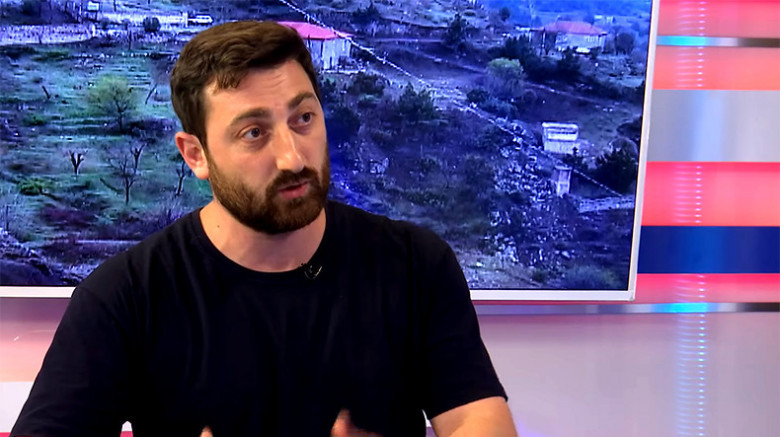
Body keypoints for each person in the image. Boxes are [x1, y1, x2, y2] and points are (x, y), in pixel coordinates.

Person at [11, 21, 516, 437]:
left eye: (303, 118)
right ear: (195, 155)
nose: (292, 157)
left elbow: (478, 418)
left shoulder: (415, 264)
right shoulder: (125, 296)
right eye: (254, 133)